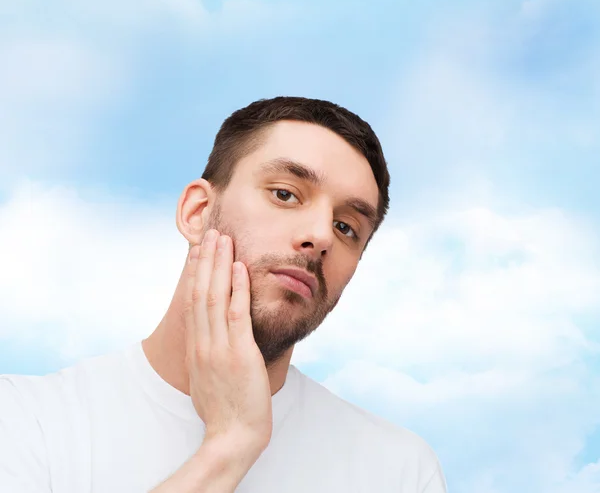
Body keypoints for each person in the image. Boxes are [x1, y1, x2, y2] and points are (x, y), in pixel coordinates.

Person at [0, 97, 447, 492]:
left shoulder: (399, 471)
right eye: (286, 194)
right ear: (198, 212)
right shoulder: (27, 420)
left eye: (346, 227)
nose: (320, 236)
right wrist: (230, 444)